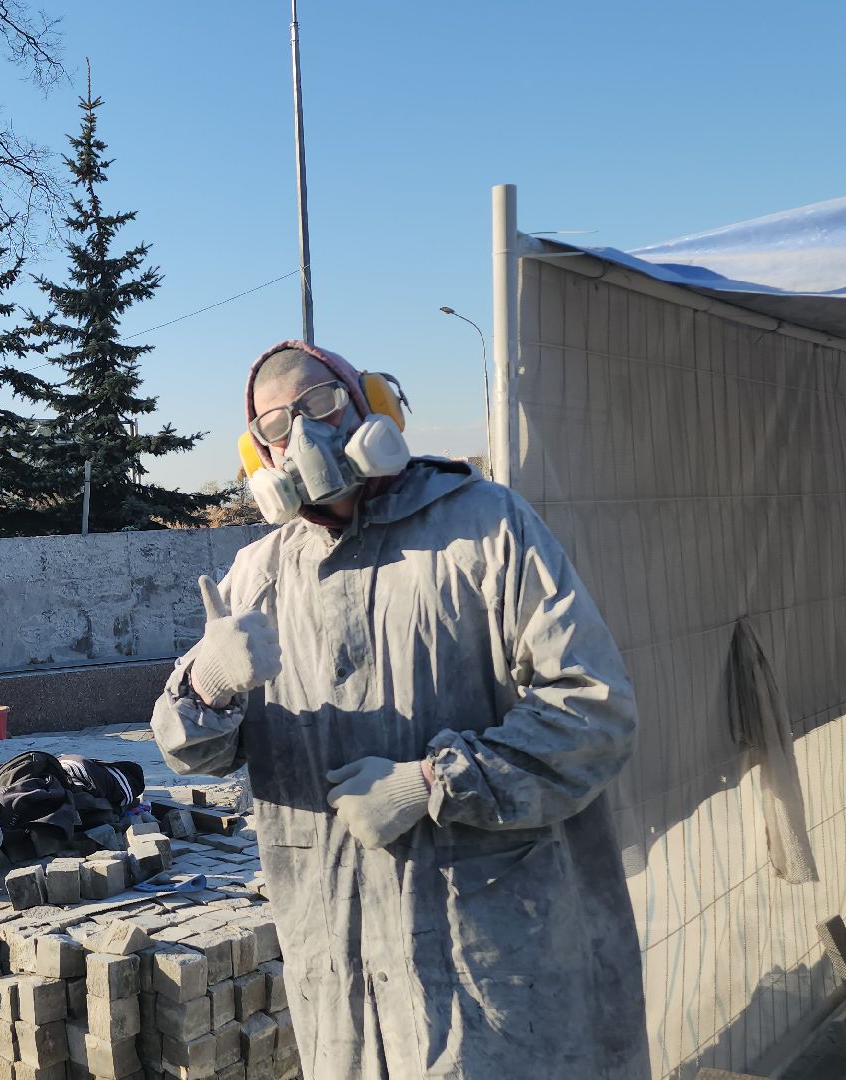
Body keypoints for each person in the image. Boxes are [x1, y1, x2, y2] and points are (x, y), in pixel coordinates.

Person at [151, 341, 648, 1078]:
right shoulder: (256, 576)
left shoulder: (484, 527)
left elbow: (594, 709)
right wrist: (207, 686)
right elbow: (187, 751)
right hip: (345, 987)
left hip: (496, 966)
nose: (306, 433)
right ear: (259, 454)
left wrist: (431, 783)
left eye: (322, 402)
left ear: (368, 404)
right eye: (278, 424)